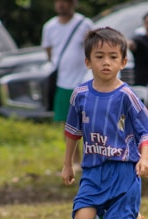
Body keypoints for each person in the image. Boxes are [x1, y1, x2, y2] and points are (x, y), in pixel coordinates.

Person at [61, 27, 148, 219]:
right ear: (88, 61)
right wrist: (67, 165)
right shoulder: (80, 94)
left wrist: (144, 158)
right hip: (93, 170)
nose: (106, 62)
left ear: (123, 61)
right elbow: (72, 132)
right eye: (99, 56)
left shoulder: (127, 95)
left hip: (124, 168)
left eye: (112, 56)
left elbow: (146, 132)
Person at [41, 0, 93, 168]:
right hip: (62, 82)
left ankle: (91, 158)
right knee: (67, 124)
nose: (61, 5)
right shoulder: (49, 27)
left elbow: (93, 48)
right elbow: (49, 52)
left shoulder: (85, 24)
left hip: (83, 80)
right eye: (58, 1)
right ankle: (75, 161)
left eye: (65, 1)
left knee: (89, 122)